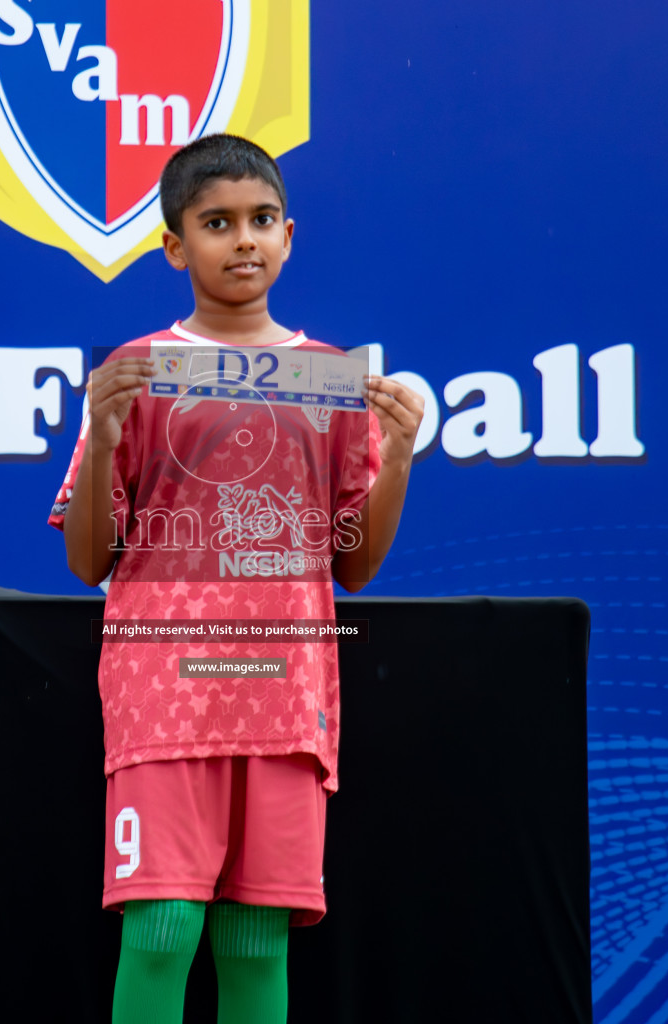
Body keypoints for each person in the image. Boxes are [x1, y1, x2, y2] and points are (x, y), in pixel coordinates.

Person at [48, 133, 423, 1024]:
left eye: (260, 221)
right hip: (162, 697)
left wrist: (398, 456)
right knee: (163, 929)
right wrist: (102, 443)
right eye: (217, 223)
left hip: (285, 702)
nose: (243, 240)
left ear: (290, 235)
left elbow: (356, 567)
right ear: (175, 246)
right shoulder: (135, 375)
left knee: (258, 941)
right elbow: (88, 559)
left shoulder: (329, 384)